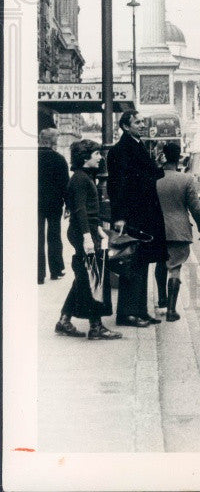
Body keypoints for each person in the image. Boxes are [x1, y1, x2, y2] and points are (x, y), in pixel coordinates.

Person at [106, 111, 168, 328]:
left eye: (142, 121)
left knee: (142, 263)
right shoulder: (120, 150)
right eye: (138, 122)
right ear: (125, 126)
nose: (142, 125)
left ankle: (140, 310)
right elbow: (117, 186)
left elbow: (151, 175)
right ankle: (126, 314)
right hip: (132, 215)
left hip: (145, 214)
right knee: (130, 263)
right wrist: (119, 217)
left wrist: (158, 166)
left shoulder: (138, 145)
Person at [55, 140, 121, 340]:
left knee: (84, 277)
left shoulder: (82, 177)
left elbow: (87, 209)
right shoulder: (81, 179)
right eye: (97, 154)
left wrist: (98, 228)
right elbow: (80, 210)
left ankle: (64, 321)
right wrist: (87, 237)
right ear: (85, 158)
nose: (100, 157)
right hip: (84, 232)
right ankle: (96, 327)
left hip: (89, 230)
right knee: (95, 278)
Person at [155, 141, 200, 322]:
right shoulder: (186, 179)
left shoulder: (154, 178)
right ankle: (171, 310)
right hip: (179, 230)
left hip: (157, 230)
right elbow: (196, 209)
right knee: (174, 268)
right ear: (179, 158)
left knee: (160, 264)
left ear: (164, 156)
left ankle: (161, 300)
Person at [38, 128, 69, 284]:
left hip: (36, 204)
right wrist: (68, 205)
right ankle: (56, 270)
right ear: (53, 140)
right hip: (55, 204)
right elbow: (65, 185)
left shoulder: (32, 158)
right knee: (54, 236)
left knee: (37, 237)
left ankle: (39, 273)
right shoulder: (59, 159)